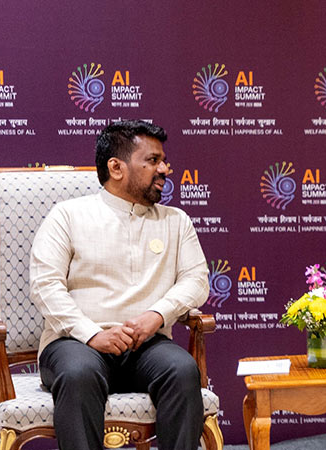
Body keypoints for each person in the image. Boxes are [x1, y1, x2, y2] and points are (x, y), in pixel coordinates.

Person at [30, 120, 210, 450]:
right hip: (76, 343)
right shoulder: (68, 215)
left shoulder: (175, 221)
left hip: (147, 346)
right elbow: (45, 286)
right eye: (153, 160)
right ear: (116, 167)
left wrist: (156, 315)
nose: (165, 169)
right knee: (78, 374)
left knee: (183, 370)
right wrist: (93, 334)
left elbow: (196, 281)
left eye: (163, 160)